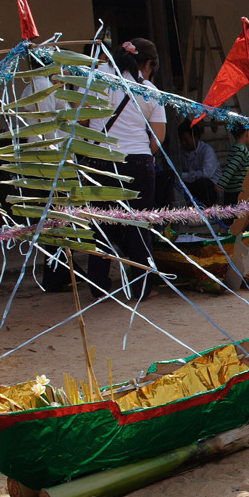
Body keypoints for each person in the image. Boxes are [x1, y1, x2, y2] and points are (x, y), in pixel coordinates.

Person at [86, 37, 166, 300]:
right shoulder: (150, 90)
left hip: (100, 159)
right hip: (139, 162)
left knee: (101, 224)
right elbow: (159, 138)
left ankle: (98, 285)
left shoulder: (97, 76)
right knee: (138, 225)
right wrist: (141, 155)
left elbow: (82, 117)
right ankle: (142, 288)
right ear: (147, 63)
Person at [176, 120, 220, 206]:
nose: (183, 143)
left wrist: (184, 176)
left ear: (195, 137)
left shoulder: (207, 150)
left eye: (186, 139)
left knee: (202, 184)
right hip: (192, 186)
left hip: (212, 188)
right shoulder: (181, 152)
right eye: (181, 140)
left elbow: (206, 174)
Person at [216, 121, 249, 205]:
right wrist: (221, 184)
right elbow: (231, 168)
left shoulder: (236, 147)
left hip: (234, 190)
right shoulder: (241, 150)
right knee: (237, 215)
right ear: (247, 133)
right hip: (237, 191)